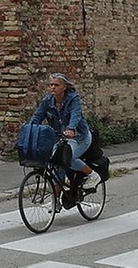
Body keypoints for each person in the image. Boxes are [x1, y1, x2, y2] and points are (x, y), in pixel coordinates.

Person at [29, 73, 96, 202]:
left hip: (79, 137)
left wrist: (71, 128)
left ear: (64, 87)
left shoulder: (73, 98)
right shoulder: (47, 101)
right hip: (60, 138)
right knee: (56, 165)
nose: (53, 87)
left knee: (67, 158)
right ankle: (56, 202)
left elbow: (75, 114)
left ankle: (92, 175)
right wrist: (29, 129)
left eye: (56, 85)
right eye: (51, 85)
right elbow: (38, 116)